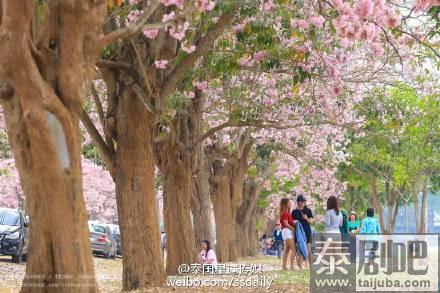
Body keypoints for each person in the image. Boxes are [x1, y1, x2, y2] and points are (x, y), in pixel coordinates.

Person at [291, 195, 313, 268]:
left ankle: (311, 266)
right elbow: (291, 223)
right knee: (299, 249)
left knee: (308, 249)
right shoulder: (294, 212)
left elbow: (311, 221)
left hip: (307, 231)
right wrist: (295, 222)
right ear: (298, 202)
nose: (303, 202)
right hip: (298, 233)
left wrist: (306, 218)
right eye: (302, 201)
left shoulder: (308, 210)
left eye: (304, 201)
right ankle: (300, 267)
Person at [280, 198, 296, 270]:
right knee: (294, 249)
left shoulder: (286, 213)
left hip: (286, 231)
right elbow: (286, 224)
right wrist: (293, 229)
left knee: (286, 250)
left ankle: (284, 266)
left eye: (290, 203)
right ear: (285, 204)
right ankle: (291, 266)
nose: (290, 204)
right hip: (287, 231)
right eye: (289, 203)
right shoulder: (285, 213)